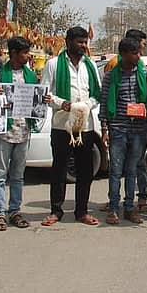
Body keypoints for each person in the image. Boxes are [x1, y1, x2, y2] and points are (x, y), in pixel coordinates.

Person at [40, 26, 103, 227]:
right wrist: (63, 104)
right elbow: (45, 94)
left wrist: (86, 106)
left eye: (85, 42)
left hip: (85, 126)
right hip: (62, 125)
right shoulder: (53, 64)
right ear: (68, 42)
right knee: (59, 169)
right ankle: (56, 211)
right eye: (79, 42)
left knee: (85, 171)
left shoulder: (90, 65)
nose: (84, 46)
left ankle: (81, 211)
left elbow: (97, 93)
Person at [0, 36, 49, 231]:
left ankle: (14, 210)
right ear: (14, 53)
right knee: (0, 174)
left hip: (24, 131)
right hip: (4, 132)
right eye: (24, 53)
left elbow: (35, 102)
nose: (28, 56)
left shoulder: (31, 76)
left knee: (17, 175)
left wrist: (43, 100)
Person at [100, 37, 147, 225]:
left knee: (132, 170)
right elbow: (104, 104)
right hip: (118, 128)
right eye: (134, 53)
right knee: (115, 170)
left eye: (139, 52)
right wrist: (104, 129)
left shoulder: (144, 75)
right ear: (123, 55)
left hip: (138, 129)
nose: (138, 56)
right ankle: (114, 207)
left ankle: (130, 208)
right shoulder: (111, 76)